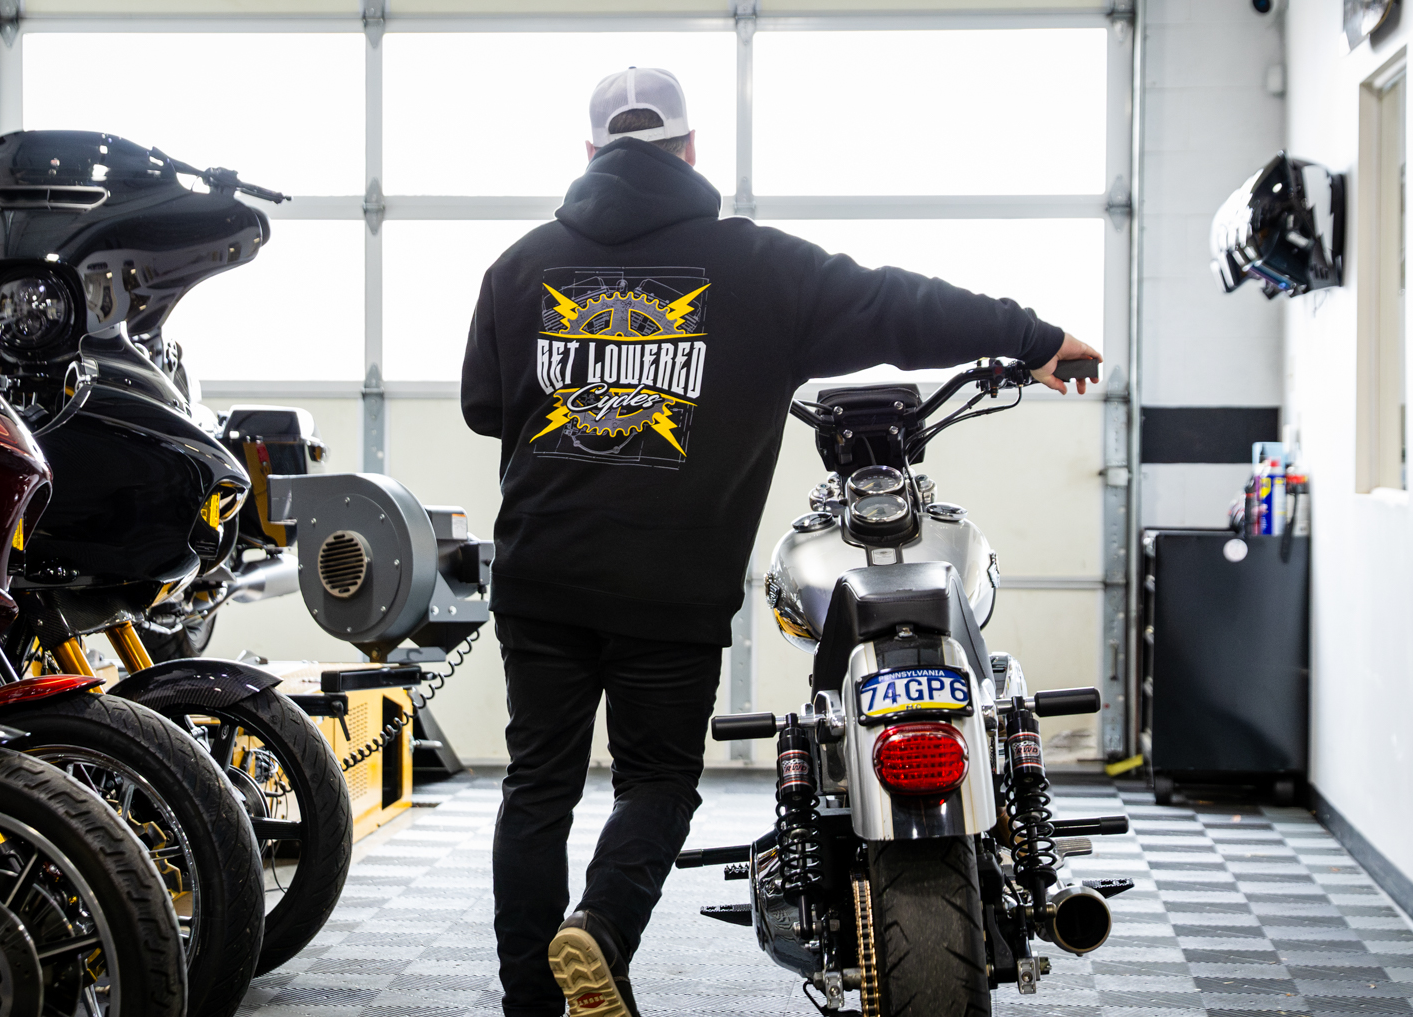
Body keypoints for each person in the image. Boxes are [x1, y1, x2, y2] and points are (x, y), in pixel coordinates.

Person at [459, 66, 1101, 1017]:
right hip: (670, 587)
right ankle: (599, 927)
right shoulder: (761, 267)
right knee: (657, 782)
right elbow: (901, 304)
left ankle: (530, 1005)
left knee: (537, 789)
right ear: (690, 150)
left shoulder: (518, 267)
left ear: (589, 152)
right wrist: (1034, 335)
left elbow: (484, 407)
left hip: (542, 576)